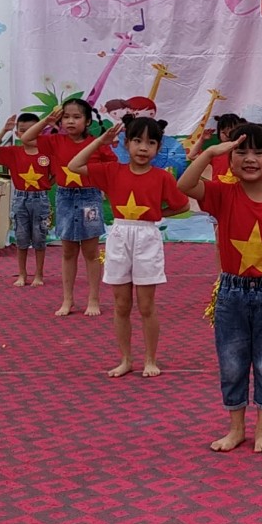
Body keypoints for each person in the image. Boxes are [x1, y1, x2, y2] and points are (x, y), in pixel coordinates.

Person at [177, 124, 262, 453]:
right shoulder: (222, 195)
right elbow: (185, 184)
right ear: (230, 159)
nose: (250, 158)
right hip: (231, 292)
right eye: (241, 151)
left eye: (259, 152)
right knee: (232, 362)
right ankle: (236, 428)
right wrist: (210, 152)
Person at [70, 115, 189, 379]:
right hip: (120, 235)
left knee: (146, 306)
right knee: (121, 304)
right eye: (137, 141)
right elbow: (74, 165)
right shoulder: (113, 171)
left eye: (151, 143)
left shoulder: (162, 177)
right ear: (126, 144)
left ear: (158, 147)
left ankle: (150, 359)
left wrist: (157, 213)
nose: (143, 148)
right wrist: (100, 141)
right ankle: (125, 359)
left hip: (147, 237)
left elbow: (183, 205)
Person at [21, 98, 115, 317]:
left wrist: (105, 190)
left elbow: (111, 169)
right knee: (68, 251)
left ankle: (93, 298)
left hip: (89, 198)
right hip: (65, 198)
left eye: (77, 117)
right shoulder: (55, 141)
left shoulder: (96, 143)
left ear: (88, 121)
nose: (70, 121)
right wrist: (46, 120)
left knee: (91, 252)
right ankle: (68, 299)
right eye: (66, 117)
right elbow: (26, 138)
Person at [0, 113, 53, 287]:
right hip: (20, 198)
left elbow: (56, 174)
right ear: (17, 133)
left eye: (32, 130)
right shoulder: (14, 152)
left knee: (39, 237)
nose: (27, 134)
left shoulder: (46, 154)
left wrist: (45, 186)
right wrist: (4, 130)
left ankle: (39, 274)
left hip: (40, 199)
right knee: (21, 238)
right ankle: (22, 274)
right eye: (23, 130)